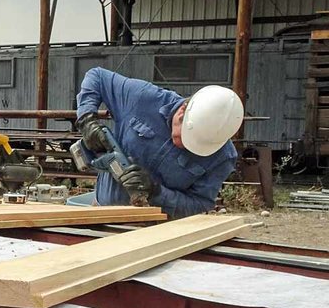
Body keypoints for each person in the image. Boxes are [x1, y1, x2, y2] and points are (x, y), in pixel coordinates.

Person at [74, 67, 243, 219]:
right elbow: (96, 76)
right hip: (101, 214)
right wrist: (87, 120)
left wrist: (156, 191)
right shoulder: (143, 98)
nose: (183, 146)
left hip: (157, 232)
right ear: (183, 110)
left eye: (194, 146)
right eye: (185, 137)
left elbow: (199, 204)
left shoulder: (223, 156)